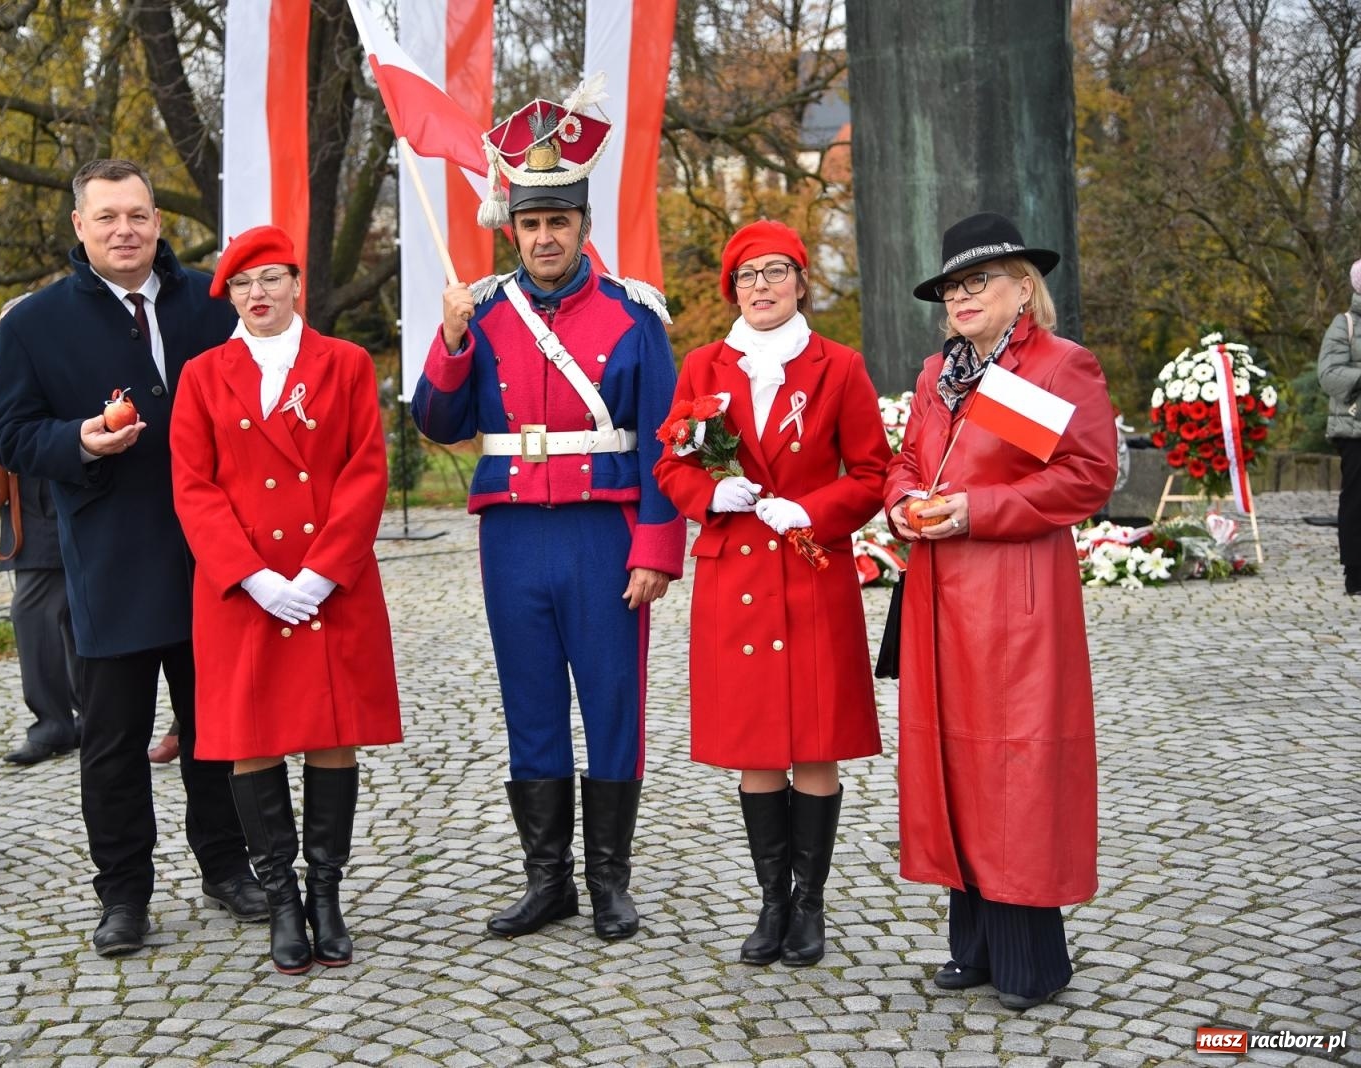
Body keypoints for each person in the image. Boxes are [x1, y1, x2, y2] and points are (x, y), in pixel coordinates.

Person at [411, 85, 685, 942]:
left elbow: (664, 446)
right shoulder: (483, 310)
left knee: (611, 702)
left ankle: (609, 881)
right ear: (512, 226)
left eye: (559, 221)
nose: (544, 237)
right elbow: (439, 423)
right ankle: (548, 880)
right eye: (530, 223)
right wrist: (450, 343)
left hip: (604, 537)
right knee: (529, 703)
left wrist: (655, 547)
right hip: (514, 537)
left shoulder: (635, 315)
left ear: (582, 222)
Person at [0, 158, 265, 957]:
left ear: (157, 221)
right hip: (110, 559)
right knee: (112, 745)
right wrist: (77, 437)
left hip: (218, 557)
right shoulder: (34, 324)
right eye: (106, 217)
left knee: (218, 732)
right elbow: (11, 434)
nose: (125, 231)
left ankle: (228, 867)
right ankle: (124, 896)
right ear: (79, 226)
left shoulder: (214, 302)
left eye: (138, 215)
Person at [886, 211, 1118, 1009]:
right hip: (939, 598)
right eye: (952, 284)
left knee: (1013, 769)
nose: (961, 295)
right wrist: (905, 503)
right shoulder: (934, 373)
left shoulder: (1059, 367)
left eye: (978, 280)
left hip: (1015, 597)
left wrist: (975, 509)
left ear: (1025, 287)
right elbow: (908, 462)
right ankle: (973, 943)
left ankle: (1032, 959)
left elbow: (1087, 478)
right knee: (953, 761)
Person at [653, 220, 890, 967]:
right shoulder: (702, 366)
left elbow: (874, 474)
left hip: (811, 568)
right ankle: (771, 903)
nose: (762, 286)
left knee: (816, 740)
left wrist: (814, 509)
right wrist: (710, 495)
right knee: (757, 742)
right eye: (749, 275)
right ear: (733, 289)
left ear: (800, 281)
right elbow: (671, 462)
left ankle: (810, 905)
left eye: (777, 271)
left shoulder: (839, 366)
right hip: (738, 577)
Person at [170, 224, 403, 975]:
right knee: (253, 738)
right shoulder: (203, 374)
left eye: (271, 279)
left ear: (297, 285)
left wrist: (325, 570)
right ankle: (280, 902)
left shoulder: (345, 363)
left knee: (332, 732)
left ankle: (326, 895)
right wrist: (254, 575)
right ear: (229, 296)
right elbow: (193, 487)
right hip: (244, 592)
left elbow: (366, 469)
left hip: (329, 585)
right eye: (243, 284)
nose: (258, 294)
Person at [0, 293, 83, 767]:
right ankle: (56, 722)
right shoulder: (8, 374)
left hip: (64, 501)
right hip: (27, 512)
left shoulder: (69, 362)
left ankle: (84, 718)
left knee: (73, 617)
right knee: (36, 614)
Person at [1317, 259, 1361, 595]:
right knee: (1356, 501)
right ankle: (1356, 573)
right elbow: (1328, 374)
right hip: (1354, 429)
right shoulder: (1343, 324)